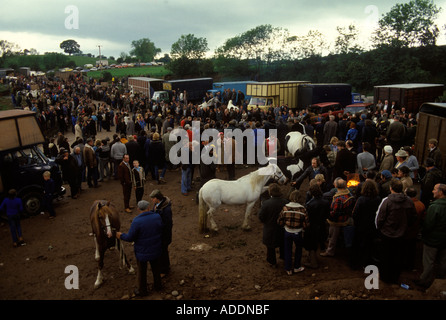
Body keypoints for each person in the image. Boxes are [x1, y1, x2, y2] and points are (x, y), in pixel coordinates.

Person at [116, 200, 163, 297]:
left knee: (142, 272)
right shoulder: (157, 217)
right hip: (156, 249)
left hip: (142, 252)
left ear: (138, 209)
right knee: (156, 269)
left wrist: (121, 235)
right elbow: (161, 229)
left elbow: (130, 238)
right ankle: (158, 286)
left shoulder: (136, 221)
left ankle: (143, 291)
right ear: (149, 208)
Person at [375, 178, 417, 284]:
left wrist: (380, 229)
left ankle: (385, 277)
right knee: (398, 256)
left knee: (386, 256)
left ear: (391, 188)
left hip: (387, 234)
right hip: (402, 234)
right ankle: (395, 277)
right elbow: (413, 217)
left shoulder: (387, 201)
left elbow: (380, 218)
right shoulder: (409, 201)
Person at [415, 184, 446, 289]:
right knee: (442, 261)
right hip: (444, 240)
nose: (433, 191)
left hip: (432, 239)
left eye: (434, 189)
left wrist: (423, 234)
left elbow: (428, 224)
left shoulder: (435, 207)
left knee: (429, 261)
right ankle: (440, 281)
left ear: (441, 192)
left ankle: (425, 281)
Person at [320, 178, 356, 258]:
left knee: (332, 236)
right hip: (346, 217)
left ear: (336, 186)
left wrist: (328, 215)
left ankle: (330, 251)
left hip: (338, 220)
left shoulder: (338, 199)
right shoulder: (349, 194)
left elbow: (335, 213)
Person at [351, 180, 381, 269]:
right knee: (369, 245)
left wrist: (356, 222)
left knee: (359, 244)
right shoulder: (378, 199)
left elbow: (355, 213)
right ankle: (367, 263)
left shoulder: (361, 199)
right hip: (372, 226)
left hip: (361, 226)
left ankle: (358, 263)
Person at [277, 191, 308, 275]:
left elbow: (279, 221)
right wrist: (303, 228)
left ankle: (288, 269)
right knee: (298, 249)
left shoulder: (285, 208)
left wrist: (284, 225)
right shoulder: (302, 209)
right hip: (298, 232)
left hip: (287, 232)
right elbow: (306, 223)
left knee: (287, 249)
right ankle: (297, 267)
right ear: (299, 198)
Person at [258, 183, 289, 267]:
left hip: (270, 228)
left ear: (270, 192)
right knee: (283, 244)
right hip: (282, 228)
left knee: (270, 247)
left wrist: (266, 222)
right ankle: (283, 256)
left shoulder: (266, 203)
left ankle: (272, 261)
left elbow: (260, 216)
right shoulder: (285, 202)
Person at [304, 184, 330, 269]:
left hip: (312, 227)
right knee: (319, 243)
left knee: (311, 245)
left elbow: (307, 217)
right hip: (322, 226)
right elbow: (328, 215)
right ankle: (314, 259)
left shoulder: (309, 204)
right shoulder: (326, 202)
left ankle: (313, 263)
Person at [150, 189, 173, 277]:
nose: (152, 200)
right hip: (160, 235)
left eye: (153, 198)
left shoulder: (166, 210)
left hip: (163, 235)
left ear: (157, 198)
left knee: (163, 252)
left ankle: (164, 270)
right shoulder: (158, 205)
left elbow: (167, 224)